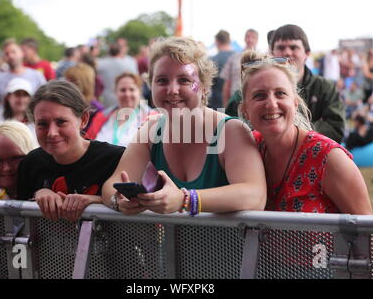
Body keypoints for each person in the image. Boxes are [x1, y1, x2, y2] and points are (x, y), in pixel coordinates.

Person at [102, 37, 266, 216]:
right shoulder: (150, 131)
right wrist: (119, 201)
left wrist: (185, 199)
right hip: (170, 244)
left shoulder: (231, 130)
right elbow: (111, 186)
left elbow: (255, 196)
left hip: (229, 244)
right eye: (162, 81)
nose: (172, 90)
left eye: (184, 80)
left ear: (204, 87)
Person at [239, 50, 372, 214]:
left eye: (280, 93)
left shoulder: (328, 158)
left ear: (295, 103)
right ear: (245, 110)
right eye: (260, 96)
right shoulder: (248, 148)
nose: (272, 104)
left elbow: (369, 232)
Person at [16, 80, 125, 222]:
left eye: (61, 122)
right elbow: (19, 222)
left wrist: (97, 201)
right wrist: (38, 194)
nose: (51, 133)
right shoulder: (31, 163)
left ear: (84, 119)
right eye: (42, 124)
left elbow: (135, 208)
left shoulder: (115, 159)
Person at [227, 24, 346, 144]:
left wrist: (293, 134)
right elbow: (231, 133)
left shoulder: (325, 88)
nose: (287, 52)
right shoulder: (246, 92)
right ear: (271, 52)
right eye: (281, 48)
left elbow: (336, 128)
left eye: (294, 47)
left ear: (307, 53)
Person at [84, 72, 155, 147]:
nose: (127, 94)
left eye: (131, 89)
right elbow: (88, 143)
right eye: (122, 90)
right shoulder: (102, 117)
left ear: (139, 91)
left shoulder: (152, 118)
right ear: (115, 92)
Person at [0, 38, 45, 113]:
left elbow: (44, 102)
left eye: (13, 52)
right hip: (7, 122)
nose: (11, 56)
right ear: (4, 57)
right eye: (7, 54)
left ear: (22, 53)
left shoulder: (37, 76)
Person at [221, 29, 258, 107]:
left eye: (253, 37)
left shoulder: (262, 58)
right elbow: (227, 83)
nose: (250, 39)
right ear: (244, 39)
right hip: (235, 102)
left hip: (256, 102)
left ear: (257, 40)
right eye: (248, 36)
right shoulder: (234, 57)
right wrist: (226, 106)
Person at [98, 42, 139, 107]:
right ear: (120, 50)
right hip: (128, 97)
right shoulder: (130, 62)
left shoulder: (101, 63)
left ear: (109, 51)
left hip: (108, 99)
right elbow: (137, 79)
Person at [209, 30, 235, 110]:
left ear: (217, 42)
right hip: (235, 106)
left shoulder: (212, 60)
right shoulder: (238, 58)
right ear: (229, 41)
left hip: (218, 105)